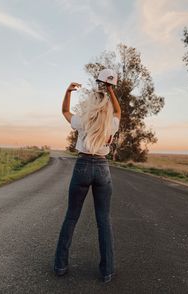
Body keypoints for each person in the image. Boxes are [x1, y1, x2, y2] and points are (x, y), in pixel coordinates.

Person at [53, 81, 121, 283]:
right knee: (104, 220)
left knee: (71, 217)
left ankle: (60, 266)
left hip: (82, 165)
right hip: (102, 168)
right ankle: (107, 270)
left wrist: (67, 92)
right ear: (106, 107)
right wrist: (110, 90)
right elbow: (118, 111)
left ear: (91, 105)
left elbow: (64, 111)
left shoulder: (82, 121)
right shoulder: (111, 123)